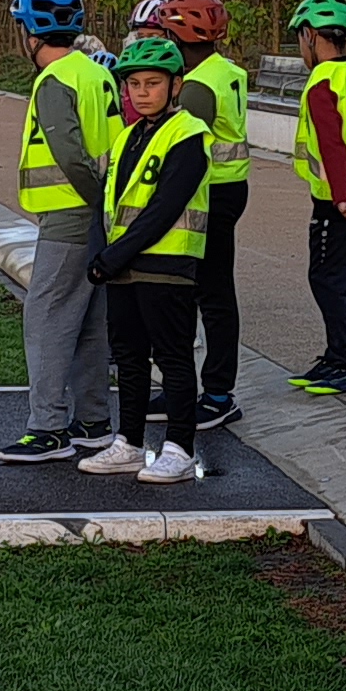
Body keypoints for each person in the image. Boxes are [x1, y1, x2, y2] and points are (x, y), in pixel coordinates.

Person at [0, 0, 118, 469]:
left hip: (70, 213)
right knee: (89, 321)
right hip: (97, 214)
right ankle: (92, 422)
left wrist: (92, 200)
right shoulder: (95, 73)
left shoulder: (53, 81)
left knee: (45, 318)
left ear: (32, 33)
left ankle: (47, 428)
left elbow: (69, 152)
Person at [81, 36, 216, 483]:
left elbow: (165, 207)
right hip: (125, 268)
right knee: (130, 357)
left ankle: (179, 446)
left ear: (176, 85)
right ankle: (130, 443)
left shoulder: (189, 133)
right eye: (134, 83)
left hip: (168, 265)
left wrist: (112, 255)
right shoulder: (127, 136)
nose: (141, 92)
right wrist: (113, 256)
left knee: (173, 358)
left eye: (153, 83)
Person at [163, 0, 252, 426]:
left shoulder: (197, 85)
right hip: (231, 188)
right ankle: (201, 388)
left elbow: (186, 147)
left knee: (209, 294)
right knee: (213, 292)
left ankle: (217, 394)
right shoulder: (228, 71)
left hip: (207, 193)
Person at [284, 0, 346, 394]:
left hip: (336, 201)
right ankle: (339, 356)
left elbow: (331, 142)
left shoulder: (323, 81)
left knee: (324, 277)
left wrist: (339, 196)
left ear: (309, 35)